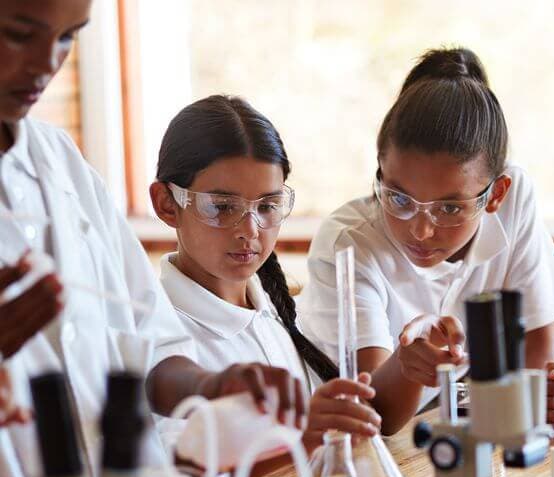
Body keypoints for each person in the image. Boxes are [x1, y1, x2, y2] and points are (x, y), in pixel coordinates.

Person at [0, 2, 304, 477]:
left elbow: (150, 347)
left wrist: (210, 384)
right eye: (18, 33)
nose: (45, 64)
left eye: (67, 36)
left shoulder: (62, 164)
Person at [298, 48, 554, 436]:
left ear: (496, 194)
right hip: (328, 443)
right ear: (380, 169)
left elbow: (539, 360)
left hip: (427, 431)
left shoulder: (514, 200)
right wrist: (406, 364)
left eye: (449, 208)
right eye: (399, 199)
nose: (421, 230)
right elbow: (375, 412)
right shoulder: (349, 243)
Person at [149, 95, 381, 455]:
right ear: (167, 203)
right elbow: (173, 468)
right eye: (222, 207)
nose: (250, 230)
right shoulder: (159, 337)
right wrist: (297, 439)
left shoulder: (274, 310)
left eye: (268, 206)